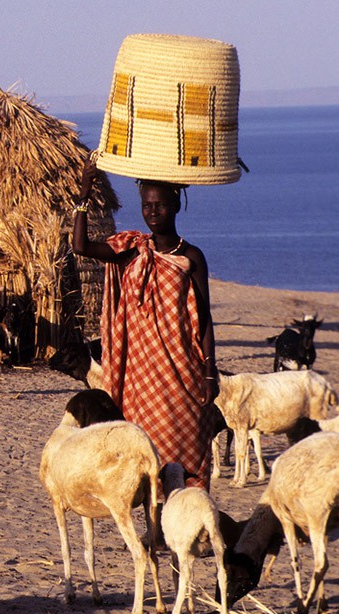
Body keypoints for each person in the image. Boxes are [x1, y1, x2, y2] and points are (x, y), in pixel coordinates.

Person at [71, 160, 219, 489]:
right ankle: (154, 527)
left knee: (188, 448)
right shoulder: (132, 251)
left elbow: (204, 317)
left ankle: (184, 521)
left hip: (183, 371)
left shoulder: (191, 257)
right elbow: (80, 246)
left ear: (176, 206)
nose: (152, 212)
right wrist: (84, 191)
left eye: (161, 205)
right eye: (146, 205)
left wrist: (211, 371)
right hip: (140, 377)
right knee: (145, 456)